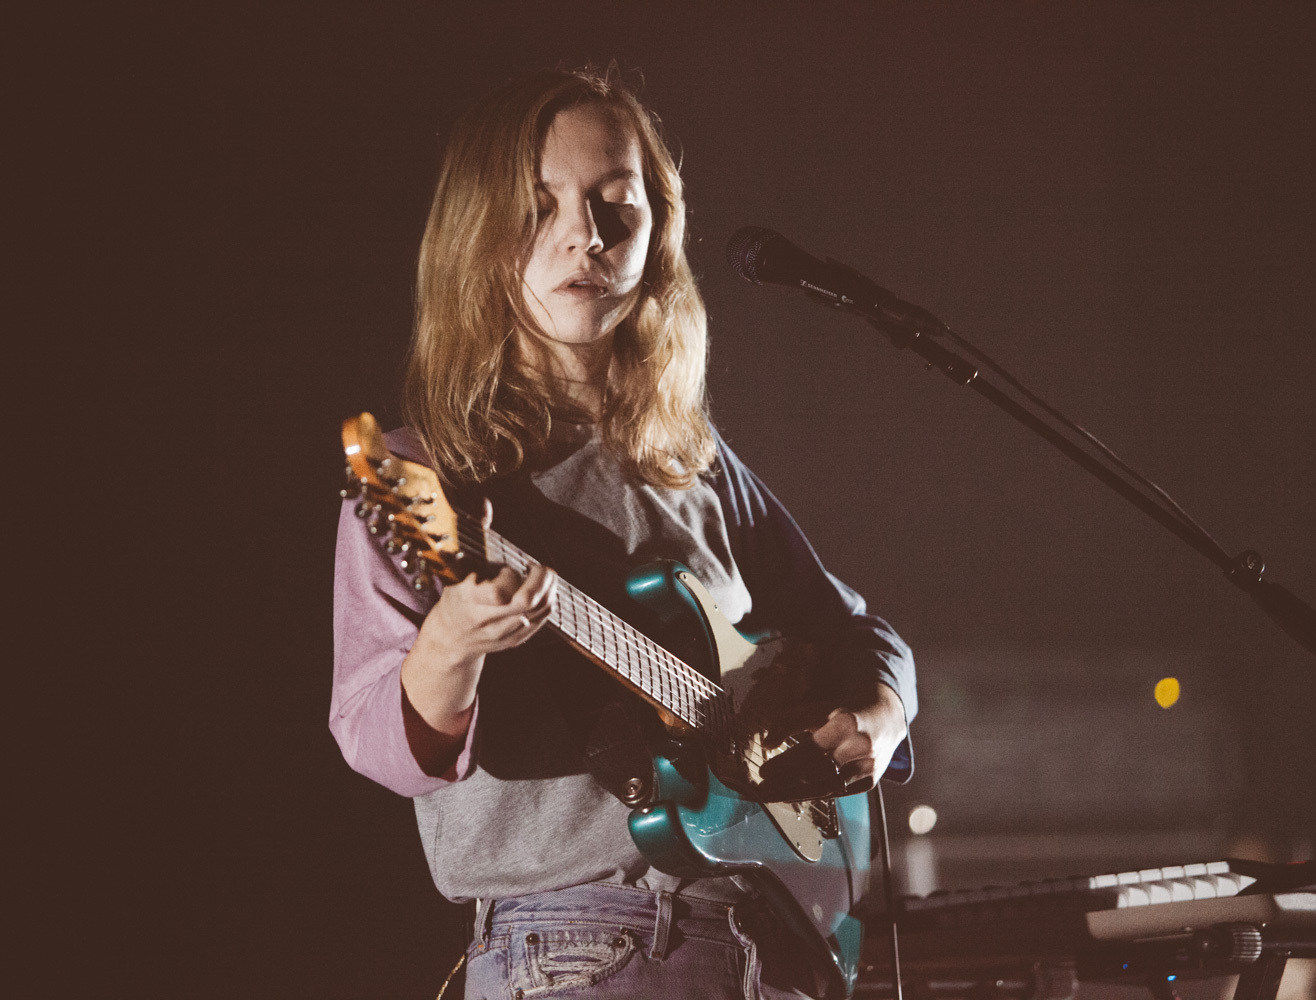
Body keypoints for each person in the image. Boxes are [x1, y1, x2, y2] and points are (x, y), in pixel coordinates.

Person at [330, 67, 917, 1000]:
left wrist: (882, 715)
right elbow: (375, 739)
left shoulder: (694, 462)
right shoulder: (425, 478)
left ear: (659, 233)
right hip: (580, 949)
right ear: (475, 233)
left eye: (619, 206)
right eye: (539, 206)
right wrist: (449, 645)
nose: (586, 236)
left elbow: (859, 631)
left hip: (768, 947)